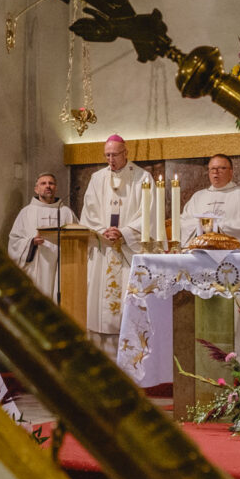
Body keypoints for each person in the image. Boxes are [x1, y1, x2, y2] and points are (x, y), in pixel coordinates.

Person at [78, 135, 145, 351]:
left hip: (128, 251)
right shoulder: (97, 178)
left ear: (126, 153)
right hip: (103, 249)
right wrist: (102, 232)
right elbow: (88, 213)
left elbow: (149, 215)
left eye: (114, 155)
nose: (110, 159)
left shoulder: (142, 178)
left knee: (129, 312)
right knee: (101, 311)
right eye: (107, 155)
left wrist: (124, 233)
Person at [8, 173, 78, 301]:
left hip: (60, 266)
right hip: (36, 265)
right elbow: (14, 240)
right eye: (43, 183)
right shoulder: (26, 212)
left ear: (56, 187)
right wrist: (31, 242)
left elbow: (78, 237)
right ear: (36, 189)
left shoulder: (66, 212)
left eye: (51, 183)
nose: (48, 186)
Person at [180, 154, 240, 249]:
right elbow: (184, 222)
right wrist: (204, 225)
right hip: (201, 251)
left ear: (231, 172)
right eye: (212, 169)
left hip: (231, 252)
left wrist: (218, 226)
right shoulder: (198, 197)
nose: (216, 172)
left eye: (221, 168)